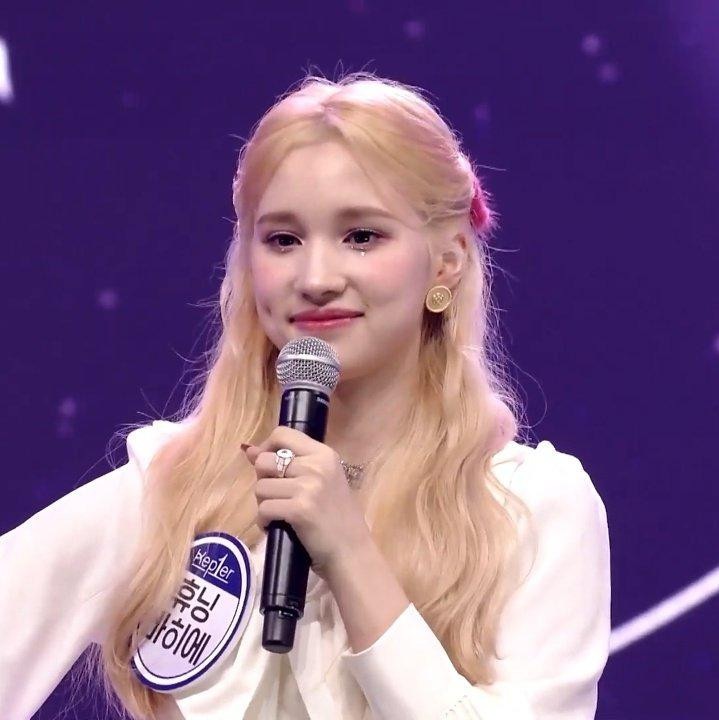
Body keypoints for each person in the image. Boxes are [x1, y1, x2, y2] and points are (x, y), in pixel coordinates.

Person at [0, 71, 611, 720]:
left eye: (361, 236)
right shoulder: (174, 490)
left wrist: (348, 550)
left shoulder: (532, 510)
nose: (316, 278)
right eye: (283, 240)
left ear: (447, 260)